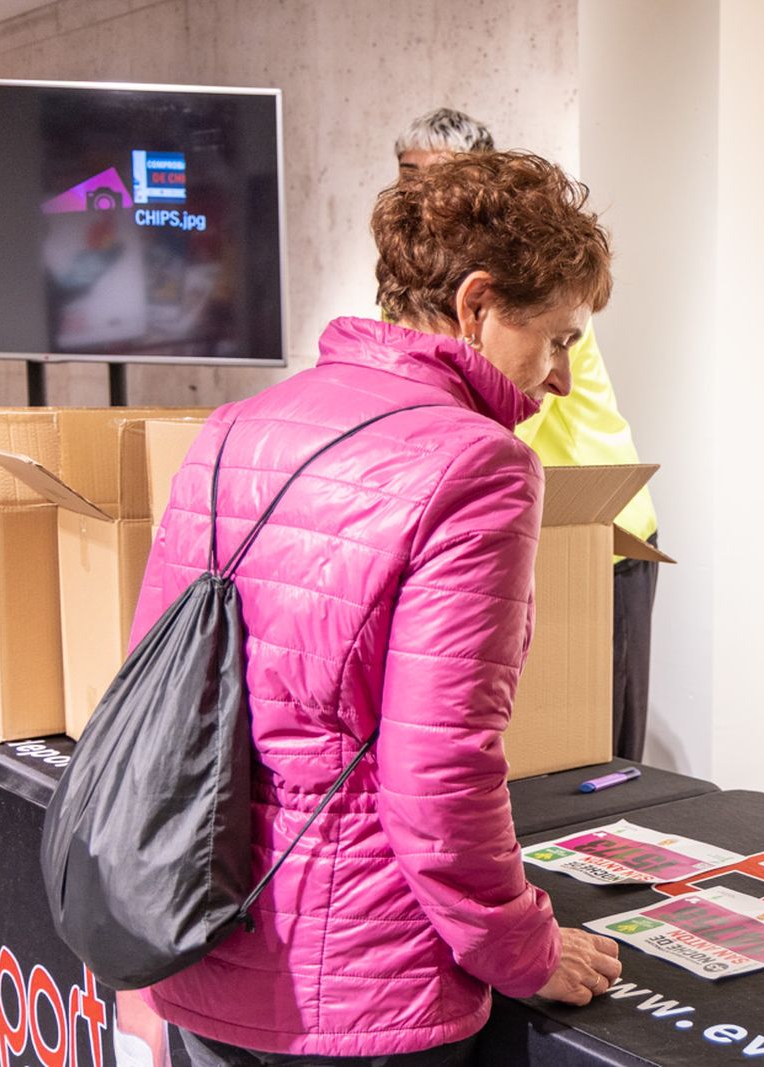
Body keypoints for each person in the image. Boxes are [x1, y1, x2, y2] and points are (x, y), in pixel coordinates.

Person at [132, 152, 622, 1065]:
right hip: (365, 986)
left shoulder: (236, 426)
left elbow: (159, 695)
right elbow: (439, 770)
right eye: (558, 338)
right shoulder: (479, 464)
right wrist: (524, 947)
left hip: (201, 939)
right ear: (476, 304)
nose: (558, 379)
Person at [396, 108, 661, 761]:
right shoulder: (411, 294)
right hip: (516, 525)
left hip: (597, 529)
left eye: (439, 182)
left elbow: (491, 413)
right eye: (408, 178)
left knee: (597, 752)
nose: (421, 199)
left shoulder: (537, 297)